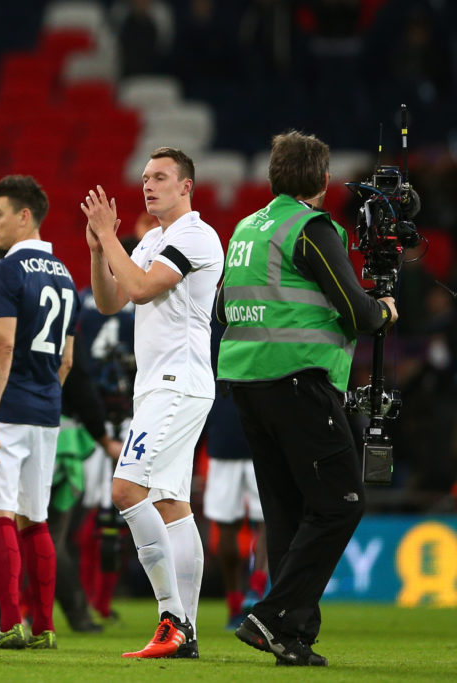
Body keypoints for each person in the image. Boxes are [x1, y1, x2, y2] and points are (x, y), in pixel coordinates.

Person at [217, 130, 398, 666]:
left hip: (247, 384)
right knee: (343, 502)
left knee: (287, 513)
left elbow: (224, 312)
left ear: (274, 176)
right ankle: (270, 616)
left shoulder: (246, 228)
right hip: (297, 381)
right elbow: (358, 313)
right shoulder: (311, 227)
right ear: (323, 180)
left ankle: (292, 634)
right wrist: (385, 306)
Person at [83, 147, 223, 659]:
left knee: (125, 489)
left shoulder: (195, 235)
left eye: (161, 177)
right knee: (169, 504)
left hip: (178, 381)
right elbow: (110, 301)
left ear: (186, 185)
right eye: (145, 177)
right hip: (157, 384)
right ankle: (186, 633)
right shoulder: (150, 239)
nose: (149, 185)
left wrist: (109, 240)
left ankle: (172, 617)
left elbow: (140, 288)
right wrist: (100, 248)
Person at [0, 175, 79, 651]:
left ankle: (10, 622)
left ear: (24, 216)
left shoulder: (6, 271)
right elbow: (68, 359)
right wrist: (43, 397)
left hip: (9, 406)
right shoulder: (66, 274)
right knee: (35, 518)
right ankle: (44, 626)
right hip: (46, 411)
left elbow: (4, 342)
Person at [204, 318, 268, 631]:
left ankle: (234, 604)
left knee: (225, 524)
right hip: (260, 424)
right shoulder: (264, 311)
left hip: (223, 426)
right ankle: (256, 589)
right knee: (266, 520)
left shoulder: (209, 319)